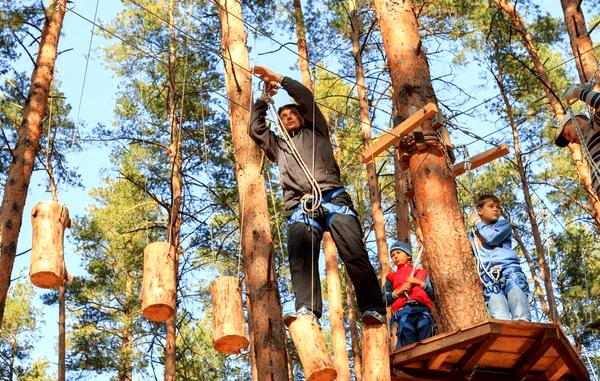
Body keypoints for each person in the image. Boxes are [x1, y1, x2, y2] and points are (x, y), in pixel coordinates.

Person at [248, 66, 386, 325]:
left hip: (333, 199)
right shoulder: (279, 147)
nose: (288, 116)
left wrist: (279, 78)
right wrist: (264, 100)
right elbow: (255, 129)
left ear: (302, 117)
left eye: (292, 113)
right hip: (300, 207)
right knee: (301, 262)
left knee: (354, 253)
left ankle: (373, 308)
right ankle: (307, 310)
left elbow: (305, 97)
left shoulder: (317, 131)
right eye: (284, 115)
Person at [468, 194, 531, 321]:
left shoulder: (503, 225)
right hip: (488, 278)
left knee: (520, 313)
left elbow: (491, 237)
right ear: (480, 210)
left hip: (509, 271)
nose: (496, 209)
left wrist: (477, 222)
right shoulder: (472, 235)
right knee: (499, 316)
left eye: (498, 207)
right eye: (491, 206)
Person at [384, 241, 434, 349]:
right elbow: (385, 300)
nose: (395, 256)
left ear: (408, 255)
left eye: (398, 252)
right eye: (392, 255)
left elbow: (433, 295)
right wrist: (398, 291)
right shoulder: (391, 277)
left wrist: (420, 283)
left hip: (422, 311)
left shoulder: (421, 273)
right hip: (403, 314)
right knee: (409, 347)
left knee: (427, 344)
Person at [557, 84, 600, 195]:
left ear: (576, 120)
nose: (570, 141)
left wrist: (576, 92)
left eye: (567, 134)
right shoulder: (589, 148)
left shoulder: (595, 125)